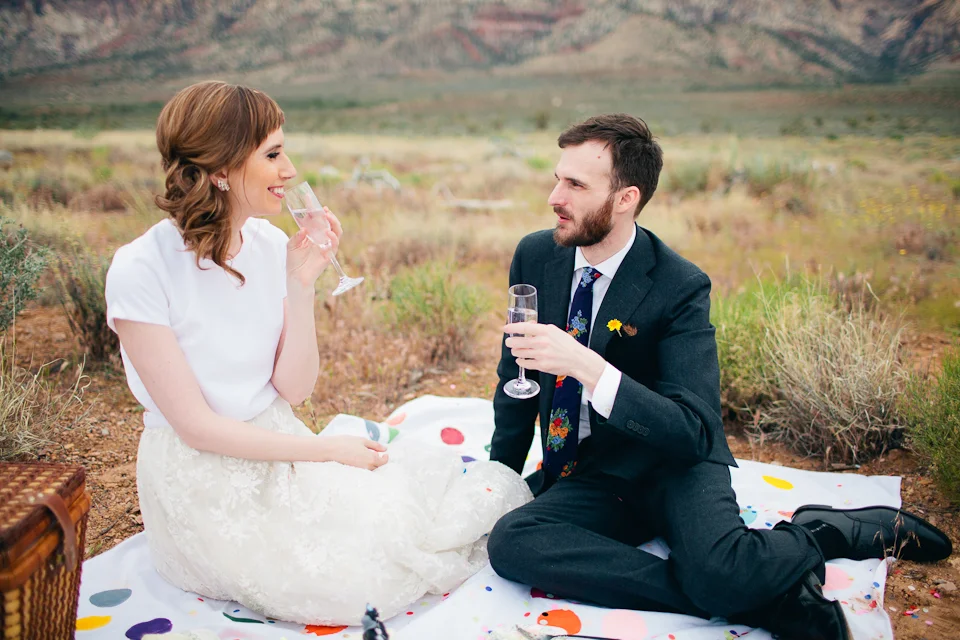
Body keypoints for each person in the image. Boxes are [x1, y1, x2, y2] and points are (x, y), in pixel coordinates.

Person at [486, 113, 952, 640]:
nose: (555, 196)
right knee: (512, 542)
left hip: (674, 465)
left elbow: (696, 429)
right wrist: (497, 476)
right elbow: (515, 375)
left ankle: (816, 534)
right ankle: (761, 600)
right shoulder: (536, 254)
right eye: (556, 178)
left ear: (625, 199)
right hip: (591, 473)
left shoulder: (680, 286)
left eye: (575, 184)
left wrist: (589, 368)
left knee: (719, 565)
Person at [104, 81, 532, 626]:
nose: (289, 170)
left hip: (283, 444)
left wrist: (301, 281)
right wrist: (328, 453)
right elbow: (196, 429)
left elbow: (295, 390)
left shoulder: (265, 246)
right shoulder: (142, 267)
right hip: (202, 480)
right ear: (220, 167)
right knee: (361, 582)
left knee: (418, 510)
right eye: (274, 154)